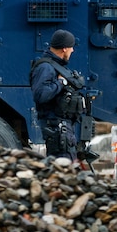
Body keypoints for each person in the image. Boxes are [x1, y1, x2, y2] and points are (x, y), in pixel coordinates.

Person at [30, 29, 86, 160]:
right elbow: (40, 95)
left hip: (63, 127)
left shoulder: (56, 66)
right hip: (57, 129)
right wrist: (61, 82)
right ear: (65, 49)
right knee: (64, 166)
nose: (73, 51)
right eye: (71, 48)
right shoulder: (45, 67)